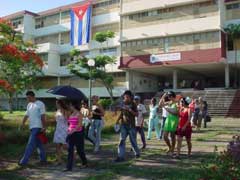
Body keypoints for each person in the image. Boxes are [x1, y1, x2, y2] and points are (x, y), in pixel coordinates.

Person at [19, 91, 47, 166]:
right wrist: (22, 123)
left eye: (28, 98)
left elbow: (43, 116)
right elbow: (26, 115)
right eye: (27, 98)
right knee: (39, 144)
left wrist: (44, 127)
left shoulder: (40, 104)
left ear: (32, 96)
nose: (27, 99)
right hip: (32, 127)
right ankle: (43, 160)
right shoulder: (29, 105)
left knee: (30, 144)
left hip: (38, 127)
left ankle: (23, 162)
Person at [115, 90, 140, 162]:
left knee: (133, 141)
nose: (126, 98)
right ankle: (120, 156)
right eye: (125, 97)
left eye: (127, 97)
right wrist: (117, 120)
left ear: (130, 97)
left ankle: (137, 153)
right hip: (123, 125)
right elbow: (122, 113)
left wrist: (129, 109)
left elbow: (137, 114)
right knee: (122, 140)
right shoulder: (122, 103)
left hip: (131, 125)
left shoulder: (133, 104)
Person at [65, 101, 87, 171]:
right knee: (70, 149)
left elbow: (80, 124)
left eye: (70, 105)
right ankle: (69, 167)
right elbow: (70, 123)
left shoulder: (79, 114)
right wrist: (69, 130)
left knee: (79, 150)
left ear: (73, 106)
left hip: (78, 134)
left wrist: (73, 130)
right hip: (70, 133)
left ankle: (84, 162)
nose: (69, 107)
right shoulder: (71, 113)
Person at [159, 91, 179, 156]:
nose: (168, 97)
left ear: (172, 96)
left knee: (172, 136)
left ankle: (172, 149)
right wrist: (163, 96)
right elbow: (160, 105)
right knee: (165, 136)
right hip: (168, 120)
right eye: (168, 96)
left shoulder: (177, 103)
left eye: (169, 96)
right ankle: (170, 147)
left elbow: (177, 113)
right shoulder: (169, 102)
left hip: (174, 120)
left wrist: (168, 109)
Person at [53, 99, 69, 165]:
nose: (56, 105)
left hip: (64, 129)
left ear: (60, 104)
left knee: (65, 146)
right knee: (57, 145)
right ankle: (59, 160)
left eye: (57, 103)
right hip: (58, 129)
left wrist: (63, 113)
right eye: (56, 103)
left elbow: (68, 120)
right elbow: (56, 120)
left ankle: (73, 155)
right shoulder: (57, 111)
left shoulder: (66, 111)